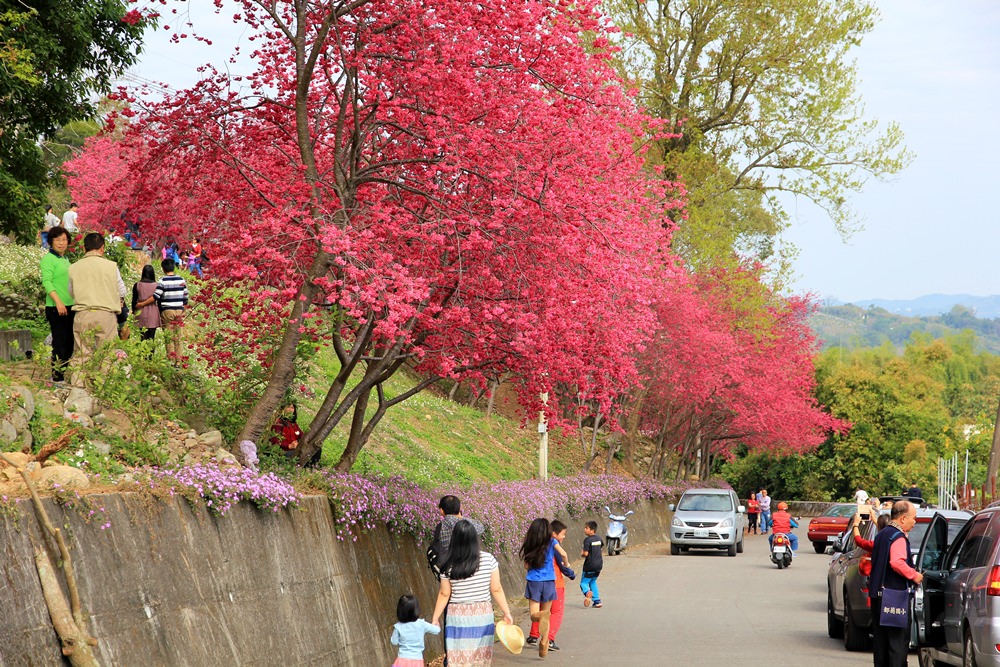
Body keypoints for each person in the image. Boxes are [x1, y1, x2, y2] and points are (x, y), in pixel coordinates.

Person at [431, 519, 513, 667]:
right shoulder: (489, 560)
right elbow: (496, 589)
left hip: (457, 616)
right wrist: (507, 612)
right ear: (475, 538)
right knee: (480, 659)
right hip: (482, 614)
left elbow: (444, 594)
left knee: (458, 658)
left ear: (454, 539)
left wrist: (435, 618)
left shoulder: (448, 564)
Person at [869, 500, 923, 667]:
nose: (915, 522)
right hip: (894, 596)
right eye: (913, 518)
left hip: (878, 596)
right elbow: (897, 562)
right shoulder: (897, 537)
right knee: (897, 644)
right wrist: (914, 575)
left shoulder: (882, 535)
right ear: (903, 518)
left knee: (881, 644)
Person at [68, 232, 126, 367]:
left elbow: (71, 292)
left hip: (83, 314)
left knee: (82, 354)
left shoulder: (74, 267)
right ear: (102, 248)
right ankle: (105, 384)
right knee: (107, 354)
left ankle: (79, 385)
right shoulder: (111, 266)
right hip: (106, 314)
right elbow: (122, 290)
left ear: (84, 248)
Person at [520, 517, 568, 659]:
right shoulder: (552, 541)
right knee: (546, 614)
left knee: (535, 615)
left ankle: (541, 616)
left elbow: (526, 565)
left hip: (534, 581)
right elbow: (563, 554)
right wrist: (566, 565)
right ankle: (544, 642)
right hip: (549, 582)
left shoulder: (530, 543)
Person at [40, 227, 75, 382]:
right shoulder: (48, 259)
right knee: (59, 343)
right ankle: (56, 377)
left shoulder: (65, 259)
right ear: (51, 241)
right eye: (57, 240)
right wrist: (58, 302)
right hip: (56, 307)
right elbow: (47, 282)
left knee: (69, 344)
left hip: (70, 306)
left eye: (64, 240)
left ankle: (61, 373)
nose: (61, 243)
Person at [391, 594, 440, 667]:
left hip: (402, 659)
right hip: (417, 661)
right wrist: (436, 623)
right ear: (416, 610)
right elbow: (437, 630)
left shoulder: (398, 627)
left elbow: (394, 642)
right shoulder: (422, 624)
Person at [154, 258, 188, 360]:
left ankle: (171, 360)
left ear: (163, 269)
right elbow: (185, 297)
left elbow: (157, 296)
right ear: (174, 267)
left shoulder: (162, 281)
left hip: (167, 311)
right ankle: (178, 361)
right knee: (178, 337)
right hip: (179, 310)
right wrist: (183, 309)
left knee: (169, 337)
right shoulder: (181, 280)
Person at [131, 264, 161, 342]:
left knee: (143, 336)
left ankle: (142, 353)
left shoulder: (137, 285)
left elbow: (134, 300)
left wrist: (134, 311)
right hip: (153, 311)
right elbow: (159, 300)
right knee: (151, 337)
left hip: (141, 311)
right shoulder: (156, 285)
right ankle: (151, 353)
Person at [580, 520, 603, 609]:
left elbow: (585, 553)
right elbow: (600, 547)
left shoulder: (587, 540)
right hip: (599, 565)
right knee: (593, 581)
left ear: (592, 530)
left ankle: (587, 592)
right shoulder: (599, 538)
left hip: (589, 566)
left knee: (583, 583)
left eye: (586, 528)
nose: (585, 530)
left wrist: (582, 554)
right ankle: (597, 601)